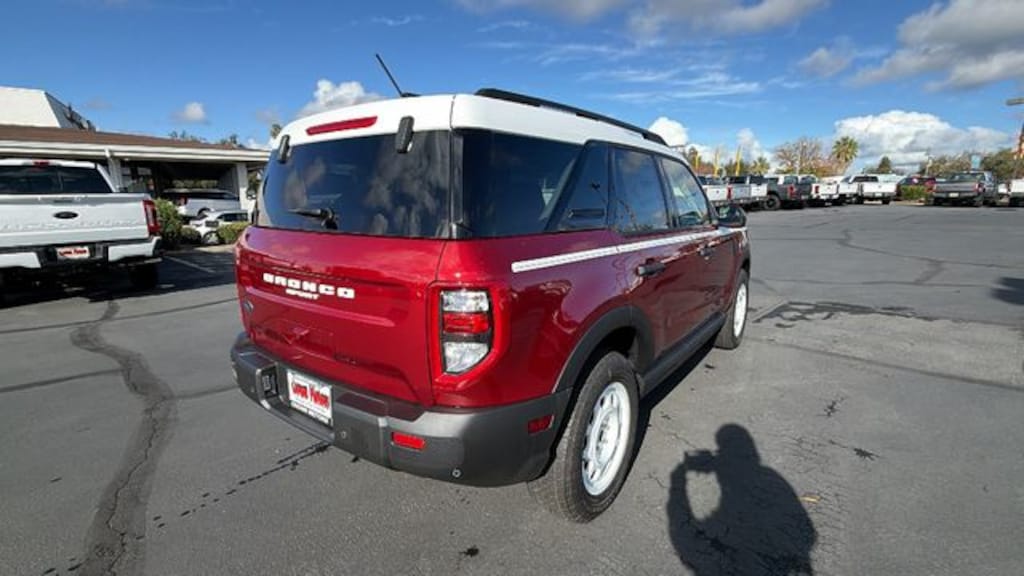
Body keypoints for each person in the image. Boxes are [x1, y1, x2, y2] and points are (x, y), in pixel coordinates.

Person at [668, 424, 816, 575]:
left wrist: (678, 476)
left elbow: (682, 540)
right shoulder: (769, 474)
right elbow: (809, 534)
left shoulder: (766, 475)